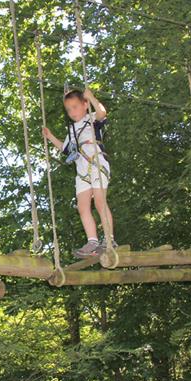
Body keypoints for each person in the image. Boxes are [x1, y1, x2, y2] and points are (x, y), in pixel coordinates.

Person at [43, 88, 115, 257]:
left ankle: (109, 239)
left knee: (99, 202)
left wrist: (92, 98)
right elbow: (65, 149)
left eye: (75, 107)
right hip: (82, 170)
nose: (72, 112)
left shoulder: (91, 119)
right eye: (68, 109)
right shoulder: (72, 130)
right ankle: (92, 241)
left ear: (85, 105)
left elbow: (102, 113)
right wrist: (50, 137)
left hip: (97, 164)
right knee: (82, 207)